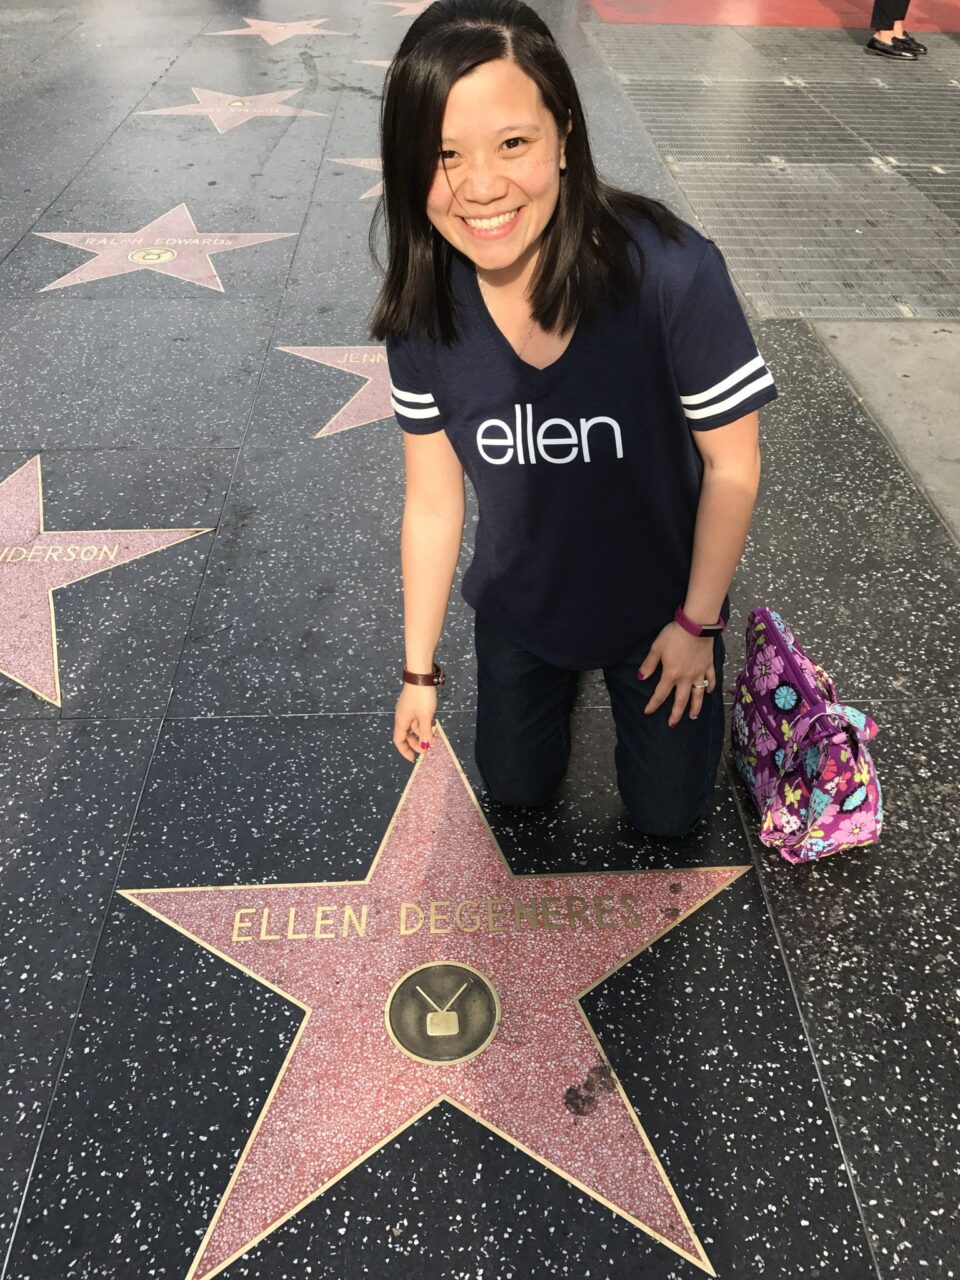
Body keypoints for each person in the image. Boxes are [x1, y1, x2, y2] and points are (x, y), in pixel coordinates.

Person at [369, 0, 779, 838]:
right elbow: (434, 501)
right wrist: (419, 672)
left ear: (564, 131)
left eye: (511, 143)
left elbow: (734, 467)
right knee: (516, 791)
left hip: (662, 611)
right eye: (444, 154)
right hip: (523, 611)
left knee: (669, 819)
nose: (480, 187)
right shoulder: (425, 309)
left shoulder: (672, 274)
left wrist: (697, 622)